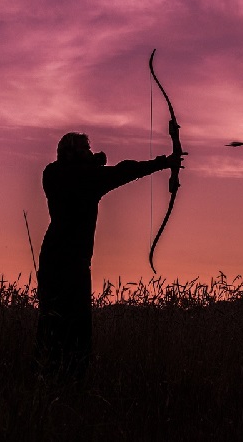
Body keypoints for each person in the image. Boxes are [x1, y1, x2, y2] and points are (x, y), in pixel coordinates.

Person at [35, 132, 184, 380]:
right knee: (75, 328)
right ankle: (71, 379)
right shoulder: (85, 178)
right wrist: (164, 162)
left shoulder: (52, 174)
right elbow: (122, 171)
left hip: (52, 261)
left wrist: (93, 163)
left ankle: (48, 376)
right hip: (73, 265)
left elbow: (118, 171)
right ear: (74, 154)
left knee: (51, 323)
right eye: (85, 149)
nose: (90, 153)